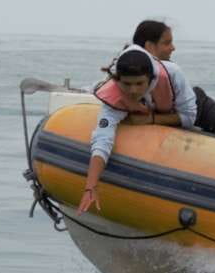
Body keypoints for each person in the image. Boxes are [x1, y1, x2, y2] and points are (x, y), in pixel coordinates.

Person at [79, 48, 193, 213]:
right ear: (117, 81)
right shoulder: (113, 99)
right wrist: (90, 187)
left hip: (186, 103)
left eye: (139, 84)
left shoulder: (172, 74)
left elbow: (190, 117)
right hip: (150, 110)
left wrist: (151, 120)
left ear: (150, 79)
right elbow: (102, 140)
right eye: (127, 84)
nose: (133, 91)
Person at [130, 20, 215, 146]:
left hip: (198, 107)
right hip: (171, 113)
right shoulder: (124, 70)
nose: (173, 48)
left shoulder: (170, 71)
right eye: (167, 43)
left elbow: (188, 115)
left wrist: (151, 119)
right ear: (149, 46)